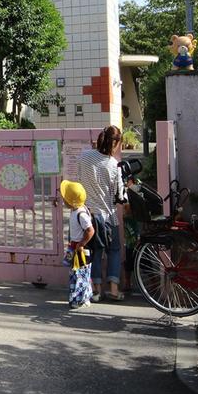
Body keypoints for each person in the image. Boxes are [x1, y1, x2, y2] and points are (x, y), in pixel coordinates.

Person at [76, 125, 126, 301]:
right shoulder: (114, 165)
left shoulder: (84, 157)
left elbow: (78, 182)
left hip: (89, 214)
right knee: (114, 250)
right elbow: (120, 195)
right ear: (116, 143)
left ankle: (96, 290)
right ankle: (113, 288)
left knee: (95, 251)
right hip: (108, 216)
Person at [61, 180, 94, 310]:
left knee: (80, 275)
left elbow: (90, 230)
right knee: (79, 274)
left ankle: (78, 300)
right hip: (75, 247)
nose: (63, 200)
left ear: (71, 201)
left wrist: (81, 244)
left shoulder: (81, 214)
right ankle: (83, 298)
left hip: (81, 249)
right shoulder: (76, 210)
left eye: (65, 198)